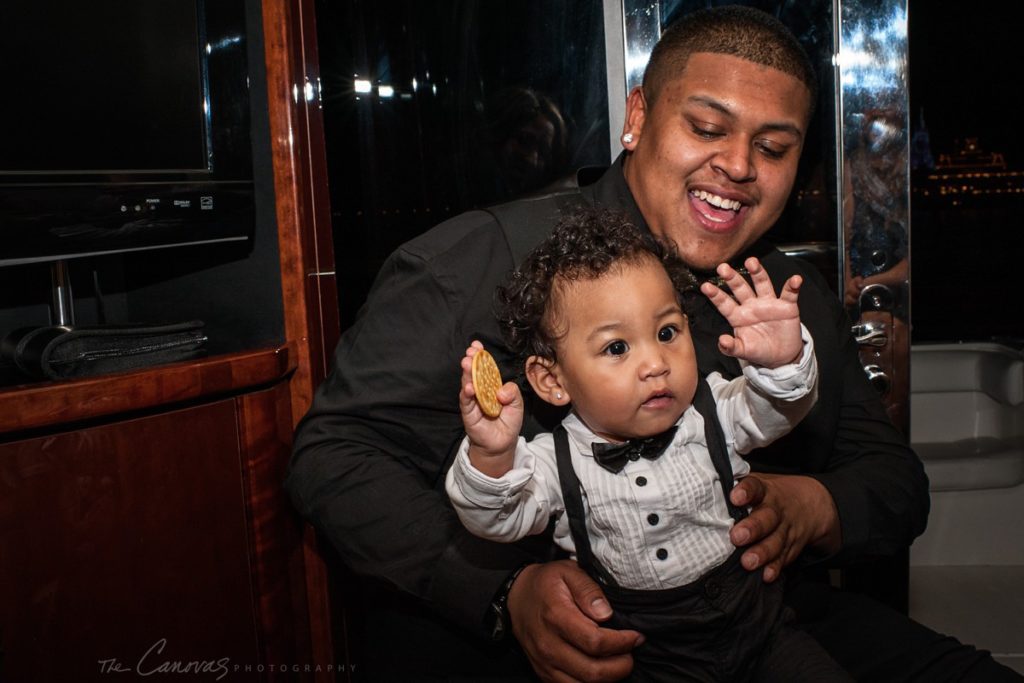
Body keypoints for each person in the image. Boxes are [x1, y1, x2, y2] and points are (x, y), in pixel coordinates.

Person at [288, 5, 1019, 681]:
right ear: (638, 116)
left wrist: (812, 507)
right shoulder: (477, 262)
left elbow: (896, 483)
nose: (738, 165)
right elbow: (334, 455)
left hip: (767, 620)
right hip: (559, 648)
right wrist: (506, 593)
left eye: (772, 146)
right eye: (706, 128)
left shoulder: (788, 294)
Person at [446, 209, 852, 682]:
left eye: (666, 333)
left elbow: (778, 409)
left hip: (761, 632)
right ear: (551, 379)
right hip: (649, 658)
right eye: (617, 348)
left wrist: (783, 361)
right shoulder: (549, 463)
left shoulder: (714, 410)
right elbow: (495, 519)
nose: (656, 363)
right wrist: (493, 455)